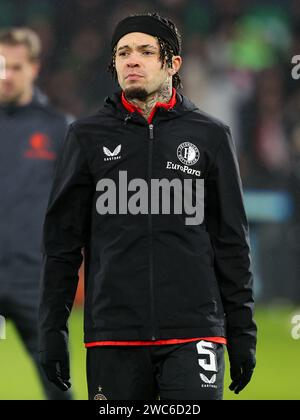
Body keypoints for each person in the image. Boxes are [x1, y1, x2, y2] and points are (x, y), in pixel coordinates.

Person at [39, 13, 257, 400]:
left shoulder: (211, 136)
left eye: (145, 51)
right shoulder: (85, 137)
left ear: (172, 64)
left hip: (195, 333)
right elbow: (62, 246)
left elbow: (231, 244)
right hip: (114, 336)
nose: (131, 60)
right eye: (122, 52)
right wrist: (53, 330)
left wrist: (241, 331)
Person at [0, 27, 72, 400]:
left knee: (58, 385)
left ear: (34, 67)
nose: (6, 76)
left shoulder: (58, 128)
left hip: (36, 281)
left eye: (15, 67)